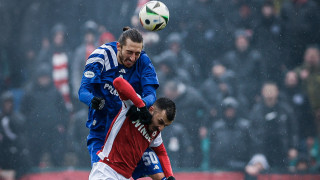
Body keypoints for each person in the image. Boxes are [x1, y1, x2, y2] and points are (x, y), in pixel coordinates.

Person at [78, 27, 169, 179]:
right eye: (129, 52)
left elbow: (151, 94)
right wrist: (93, 101)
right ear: (119, 46)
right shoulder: (100, 56)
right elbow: (83, 92)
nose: (133, 58)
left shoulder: (144, 61)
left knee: (159, 176)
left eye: (137, 53)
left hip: (130, 131)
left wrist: (141, 106)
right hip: (102, 129)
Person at [89, 77, 176, 180]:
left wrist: (170, 176)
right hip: (106, 171)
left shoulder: (155, 132)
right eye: (160, 121)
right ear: (151, 110)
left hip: (124, 177)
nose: (160, 128)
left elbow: (162, 153)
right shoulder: (133, 105)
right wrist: (140, 106)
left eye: (165, 126)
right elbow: (118, 82)